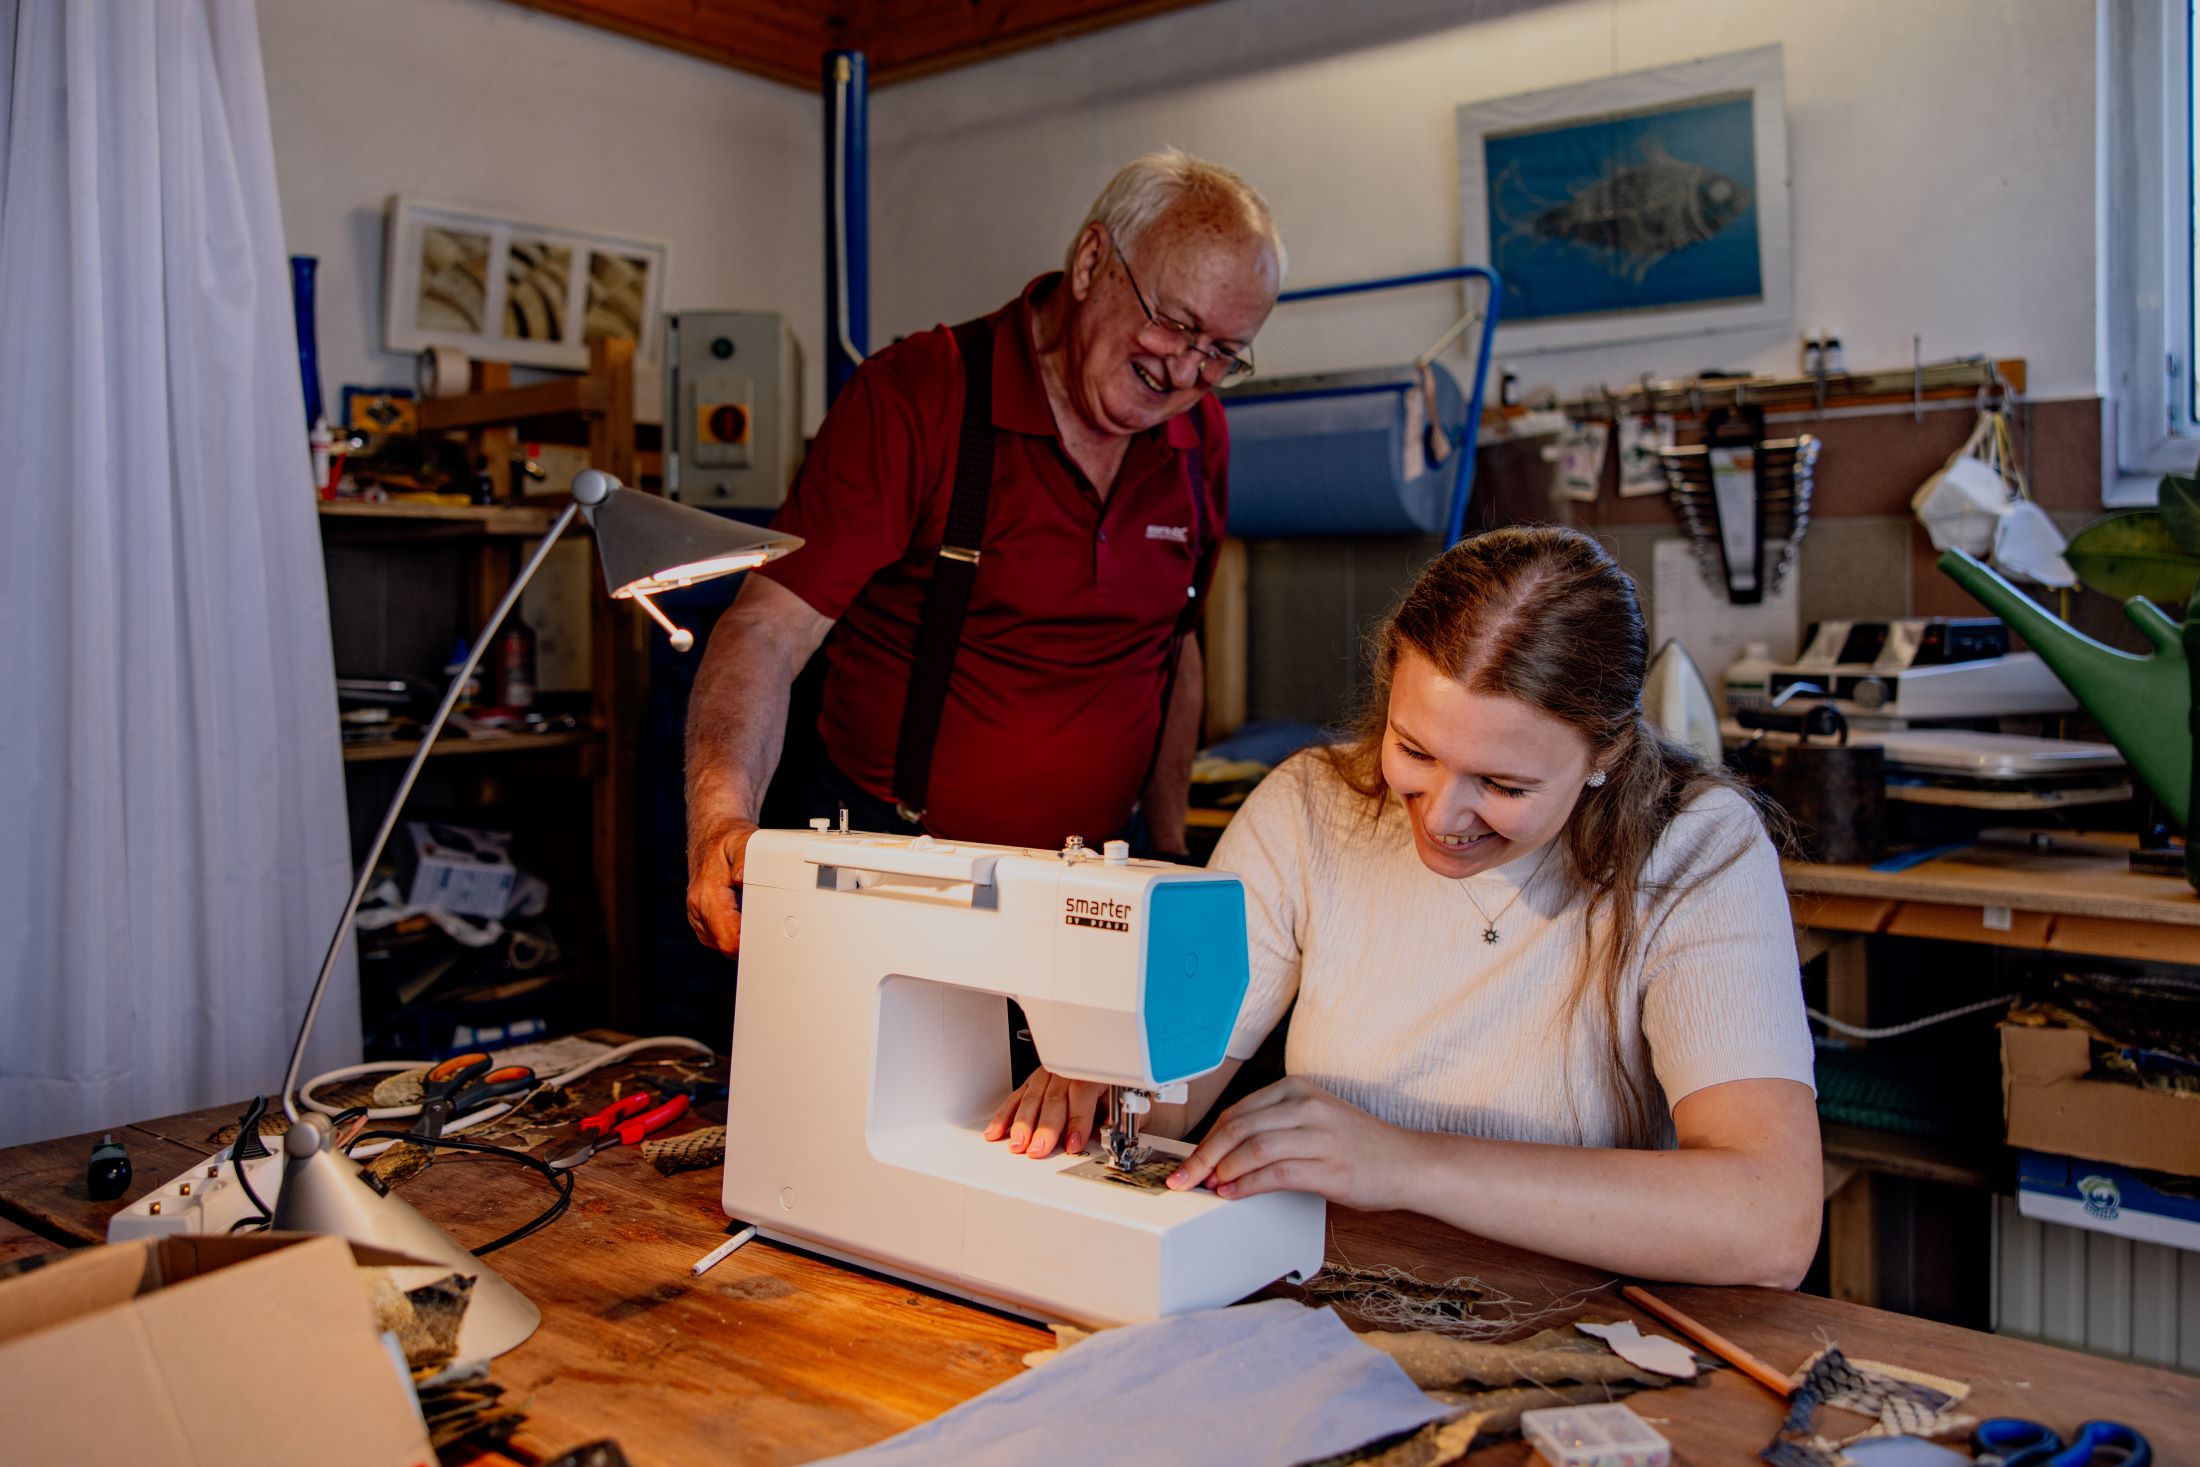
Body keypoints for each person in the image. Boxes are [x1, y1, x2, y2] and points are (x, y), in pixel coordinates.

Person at [985, 527, 1823, 1288]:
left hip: (1578, 1322)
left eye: (1504, 784)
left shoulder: (1695, 848)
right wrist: (1098, 1073)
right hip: (1332, 1290)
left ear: (1606, 751)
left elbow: (1772, 1221)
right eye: (1414, 749)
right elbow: (1169, 1088)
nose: (1442, 815)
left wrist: (1406, 1164)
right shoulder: (1310, 809)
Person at [686, 149, 1285, 955]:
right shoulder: (918, 396)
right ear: (1091, 262)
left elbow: (1172, 647)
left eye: (1222, 352)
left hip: (1096, 885)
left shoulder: (1198, 435)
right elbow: (766, 627)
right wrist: (722, 817)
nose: (1184, 369)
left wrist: (1169, 849)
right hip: (896, 871)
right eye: (1175, 323)